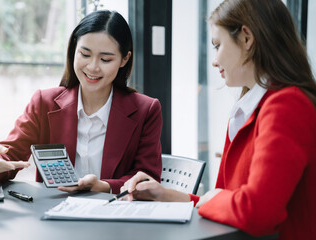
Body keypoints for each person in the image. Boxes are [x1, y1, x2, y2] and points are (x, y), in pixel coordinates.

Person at [121, 0, 316, 239]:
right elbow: (224, 201)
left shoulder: (286, 106)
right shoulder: (247, 110)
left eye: (217, 45)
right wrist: (163, 194)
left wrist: (213, 199)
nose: (214, 60)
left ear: (246, 39)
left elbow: (257, 212)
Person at [0, 10, 162, 194]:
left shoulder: (146, 110)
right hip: (53, 216)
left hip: (116, 218)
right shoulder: (45, 103)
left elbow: (147, 179)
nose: (93, 67)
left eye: (105, 59)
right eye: (85, 55)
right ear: (73, 50)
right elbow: (9, 157)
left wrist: (102, 186)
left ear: (124, 59)